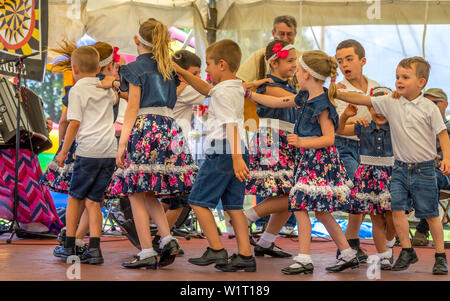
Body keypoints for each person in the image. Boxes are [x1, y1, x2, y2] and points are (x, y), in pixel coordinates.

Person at [246, 50, 360, 274]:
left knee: (299, 206)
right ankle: (347, 253)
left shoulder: (322, 104)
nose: (295, 74)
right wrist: (250, 96)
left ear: (306, 73)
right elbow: (279, 102)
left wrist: (301, 142)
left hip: (319, 162)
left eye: (298, 70)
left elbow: (329, 137)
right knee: (320, 212)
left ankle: (304, 258)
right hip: (307, 161)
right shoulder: (303, 97)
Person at [336, 56, 449, 275]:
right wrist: (336, 93)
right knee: (396, 210)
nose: (399, 81)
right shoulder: (391, 102)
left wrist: (447, 157)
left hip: (424, 169)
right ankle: (406, 250)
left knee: (431, 214)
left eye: (405, 77)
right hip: (399, 169)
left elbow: (442, 134)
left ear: (421, 82)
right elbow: (362, 100)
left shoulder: (429, 107)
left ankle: (440, 255)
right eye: (397, 77)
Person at [103, 18, 197, 269]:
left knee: (135, 191)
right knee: (148, 191)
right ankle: (167, 239)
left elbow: (133, 107)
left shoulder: (135, 69)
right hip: (169, 127)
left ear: (137, 40)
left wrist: (122, 143)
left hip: (146, 128)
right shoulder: (168, 68)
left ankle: (146, 250)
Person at [174, 39, 257, 272]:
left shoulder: (222, 92)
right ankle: (244, 255)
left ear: (221, 64)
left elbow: (230, 123)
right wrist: (181, 71)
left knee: (197, 202)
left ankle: (217, 248)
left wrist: (235, 157)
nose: (206, 70)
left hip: (224, 151)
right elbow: (205, 89)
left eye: (209, 65)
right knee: (234, 206)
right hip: (238, 149)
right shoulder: (233, 87)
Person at [42, 40, 121, 252]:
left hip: (88, 152)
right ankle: (94, 249)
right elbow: (117, 96)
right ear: (98, 68)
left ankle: (69, 245)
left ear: (74, 69)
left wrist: (64, 150)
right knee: (94, 201)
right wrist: (112, 81)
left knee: (75, 198)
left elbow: (73, 123)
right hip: (108, 151)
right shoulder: (106, 90)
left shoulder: (77, 91)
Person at [237, 15, 300, 236]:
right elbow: (238, 85)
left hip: (286, 140)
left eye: (295, 60)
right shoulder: (270, 86)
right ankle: (247, 217)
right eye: (290, 61)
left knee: (289, 195)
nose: (295, 64)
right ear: (274, 62)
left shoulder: (290, 85)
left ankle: (266, 241)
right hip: (272, 139)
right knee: (289, 193)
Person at [336, 87, 397, 270]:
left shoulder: (397, 128)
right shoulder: (362, 127)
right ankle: (383, 255)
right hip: (368, 177)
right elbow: (339, 130)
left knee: (393, 216)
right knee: (377, 218)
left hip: (391, 175)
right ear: (369, 109)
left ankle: (390, 241)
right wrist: (345, 116)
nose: (378, 112)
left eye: (383, 108)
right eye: (374, 108)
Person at [334, 39, 380, 263]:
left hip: (369, 148)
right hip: (345, 148)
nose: (344, 65)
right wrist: (363, 125)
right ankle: (346, 245)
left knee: (364, 195)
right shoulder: (339, 91)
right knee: (360, 189)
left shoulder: (376, 86)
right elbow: (339, 128)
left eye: (349, 59)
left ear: (362, 61)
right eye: (340, 61)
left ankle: (351, 242)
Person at [155, 50, 205, 255]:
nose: (198, 78)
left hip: (166, 145)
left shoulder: (166, 87)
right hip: (175, 148)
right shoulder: (185, 90)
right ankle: (161, 239)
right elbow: (212, 91)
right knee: (182, 196)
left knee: (169, 197)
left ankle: (160, 234)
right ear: (180, 72)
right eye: (194, 72)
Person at [0, 110, 63, 234]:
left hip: (25, 149)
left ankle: (31, 220)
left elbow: (37, 125)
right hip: (6, 149)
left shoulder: (21, 95)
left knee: (32, 185)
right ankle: (28, 220)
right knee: (17, 184)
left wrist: (44, 128)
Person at [411, 88, 450, 246]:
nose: (430, 106)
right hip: (420, 171)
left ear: (445, 104)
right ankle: (391, 233)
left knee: (430, 180)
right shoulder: (417, 128)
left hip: (444, 173)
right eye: (426, 103)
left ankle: (422, 228)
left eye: (434, 103)